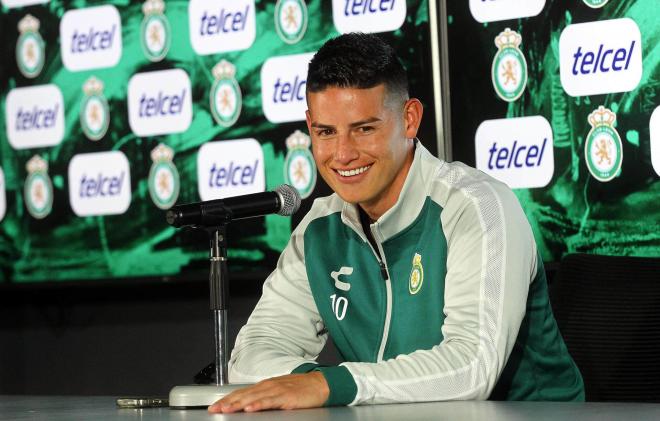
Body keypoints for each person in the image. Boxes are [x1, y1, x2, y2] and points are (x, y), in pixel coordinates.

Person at [208, 32, 584, 414]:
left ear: (410, 119)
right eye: (326, 132)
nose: (342, 153)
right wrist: (308, 381)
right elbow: (252, 354)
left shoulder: (478, 207)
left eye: (364, 128)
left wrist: (330, 384)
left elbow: (472, 368)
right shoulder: (319, 227)